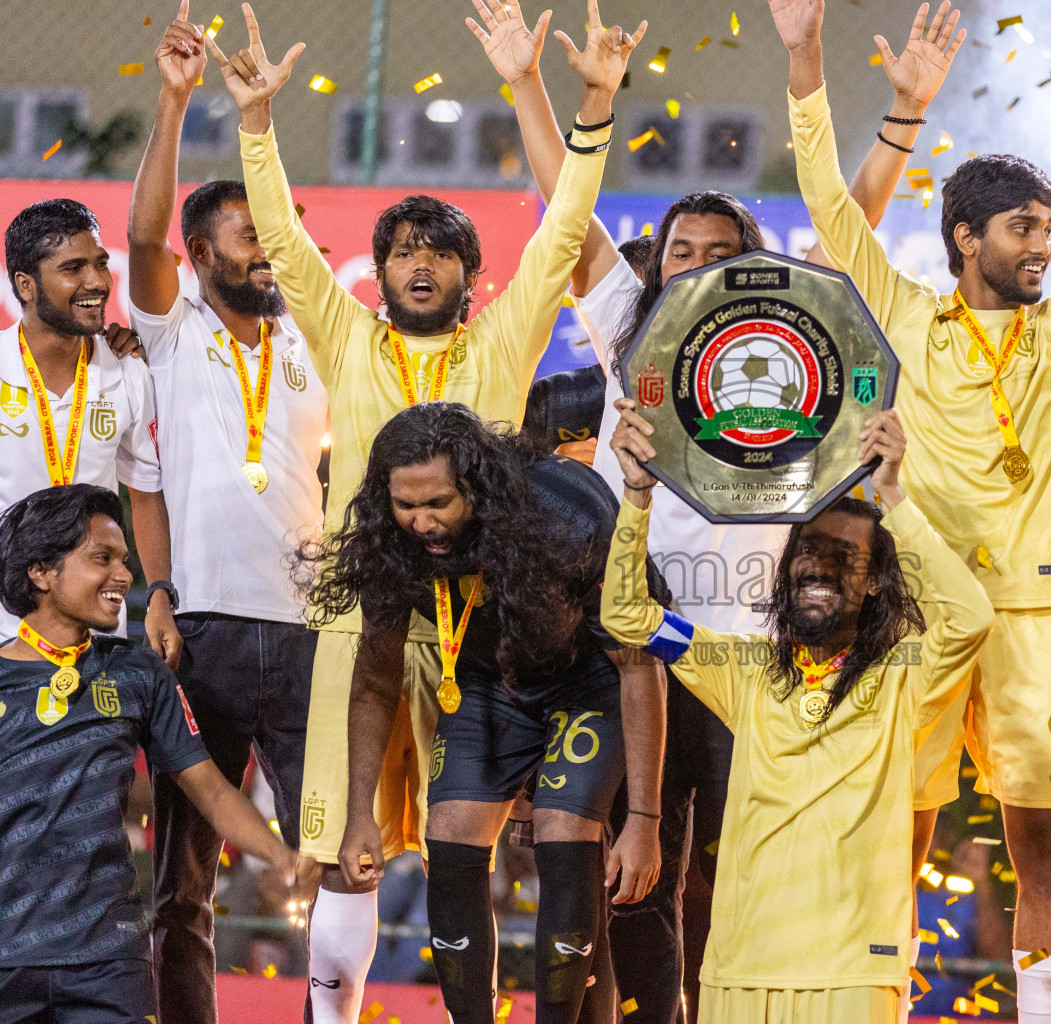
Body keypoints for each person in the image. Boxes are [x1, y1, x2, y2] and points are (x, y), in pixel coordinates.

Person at [469, 2, 966, 1016]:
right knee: (629, 869)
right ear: (659, 265)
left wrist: (886, 100)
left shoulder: (787, 341)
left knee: (730, 866)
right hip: (641, 646)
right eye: (681, 248)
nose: (696, 261)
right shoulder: (633, 329)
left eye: (717, 248)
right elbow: (566, 215)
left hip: (756, 653)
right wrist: (534, 86)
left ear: (755, 268)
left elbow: (849, 216)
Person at [212, 3, 642, 1017]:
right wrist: (257, 126)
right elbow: (280, 231)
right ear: (382, 268)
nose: (416, 263)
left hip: (487, 622)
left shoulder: (502, 342)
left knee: (475, 840)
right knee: (347, 845)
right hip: (363, 613)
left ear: (470, 273)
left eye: (437, 251)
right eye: (400, 248)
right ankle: (331, 1013)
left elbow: (568, 230)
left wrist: (589, 104)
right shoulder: (345, 336)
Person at [771, 1, 1051, 1017]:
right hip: (920, 611)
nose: (1042, 246)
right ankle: (877, 1000)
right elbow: (829, 207)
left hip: (1037, 622)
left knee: (1040, 834)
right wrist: (807, 57)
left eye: (1048, 228)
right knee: (900, 829)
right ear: (966, 239)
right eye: (1021, 230)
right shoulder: (908, 314)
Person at [602, 400, 993, 1024]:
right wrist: (636, 496)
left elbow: (971, 619)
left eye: (845, 556)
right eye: (806, 551)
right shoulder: (744, 669)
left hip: (852, 975)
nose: (819, 564)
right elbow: (627, 616)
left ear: (873, 584)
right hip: (738, 970)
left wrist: (892, 493)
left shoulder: (901, 674)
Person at [306, 402, 662, 1024]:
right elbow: (375, 678)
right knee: (447, 835)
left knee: (563, 832)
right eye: (405, 504)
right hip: (486, 681)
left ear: (479, 487)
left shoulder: (567, 511)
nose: (421, 523)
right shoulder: (392, 538)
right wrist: (359, 812)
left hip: (590, 680)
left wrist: (643, 821)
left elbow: (639, 664)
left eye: (438, 503)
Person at [120, 8, 331, 1019]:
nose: (269, 253)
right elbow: (141, 233)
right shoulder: (172, 328)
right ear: (204, 252)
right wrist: (176, 95)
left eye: (275, 237)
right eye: (250, 236)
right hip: (195, 627)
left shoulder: (316, 337)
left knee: (332, 849)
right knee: (182, 881)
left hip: (306, 631)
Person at [0, 483, 309, 1023]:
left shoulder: (137, 674)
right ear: (41, 572)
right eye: (103, 559)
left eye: (125, 559)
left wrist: (280, 855)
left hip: (108, 964)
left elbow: (211, 790)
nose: (123, 575)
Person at [1, 199, 179, 666]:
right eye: (73, 268)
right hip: (5, 629)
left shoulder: (127, 370)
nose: (97, 282)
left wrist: (159, 592)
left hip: (97, 632)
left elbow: (146, 495)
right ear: (26, 284)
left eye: (100, 263)